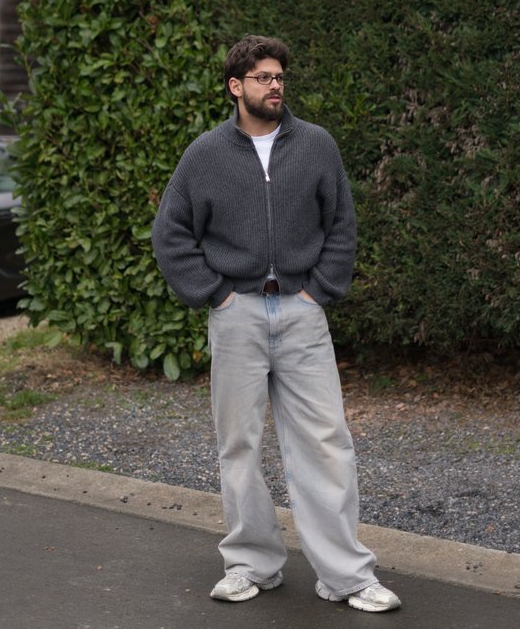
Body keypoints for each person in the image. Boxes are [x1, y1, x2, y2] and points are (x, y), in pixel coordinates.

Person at [152, 34, 401, 614]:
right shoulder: (205, 155)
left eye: (280, 76)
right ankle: (251, 565)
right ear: (236, 87)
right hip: (235, 314)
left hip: (300, 314)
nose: (275, 85)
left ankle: (345, 576)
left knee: (326, 442)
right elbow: (171, 234)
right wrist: (215, 295)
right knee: (238, 444)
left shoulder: (316, 146)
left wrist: (318, 292)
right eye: (263, 77)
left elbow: (341, 224)